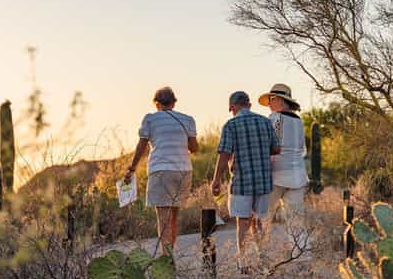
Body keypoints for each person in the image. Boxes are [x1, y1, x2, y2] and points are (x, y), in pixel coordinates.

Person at [125, 86, 198, 255]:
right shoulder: (188, 119)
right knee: (173, 217)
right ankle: (169, 255)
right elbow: (194, 148)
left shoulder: (150, 119)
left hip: (161, 170)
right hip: (183, 171)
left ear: (156, 104)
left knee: (163, 219)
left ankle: (166, 259)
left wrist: (132, 168)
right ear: (174, 102)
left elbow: (142, 146)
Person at [211, 91, 280, 265]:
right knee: (257, 220)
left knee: (242, 221)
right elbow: (276, 149)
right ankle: (262, 256)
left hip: (242, 182)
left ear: (233, 107)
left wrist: (216, 180)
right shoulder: (265, 122)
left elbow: (224, 154)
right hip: (263, 181)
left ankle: (243, 261)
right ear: (249, 105)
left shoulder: (231, 125)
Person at [258, 83, 309, 225]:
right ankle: (302, 247)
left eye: (271, 99)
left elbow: (268, 146)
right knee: (296, 222)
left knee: (262, 218)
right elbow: (303, 150)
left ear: (280, 100)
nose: (269, 103)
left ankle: (257, 247)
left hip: (276, 175)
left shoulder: (274, 118)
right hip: (298, 176)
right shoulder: (299, 121)